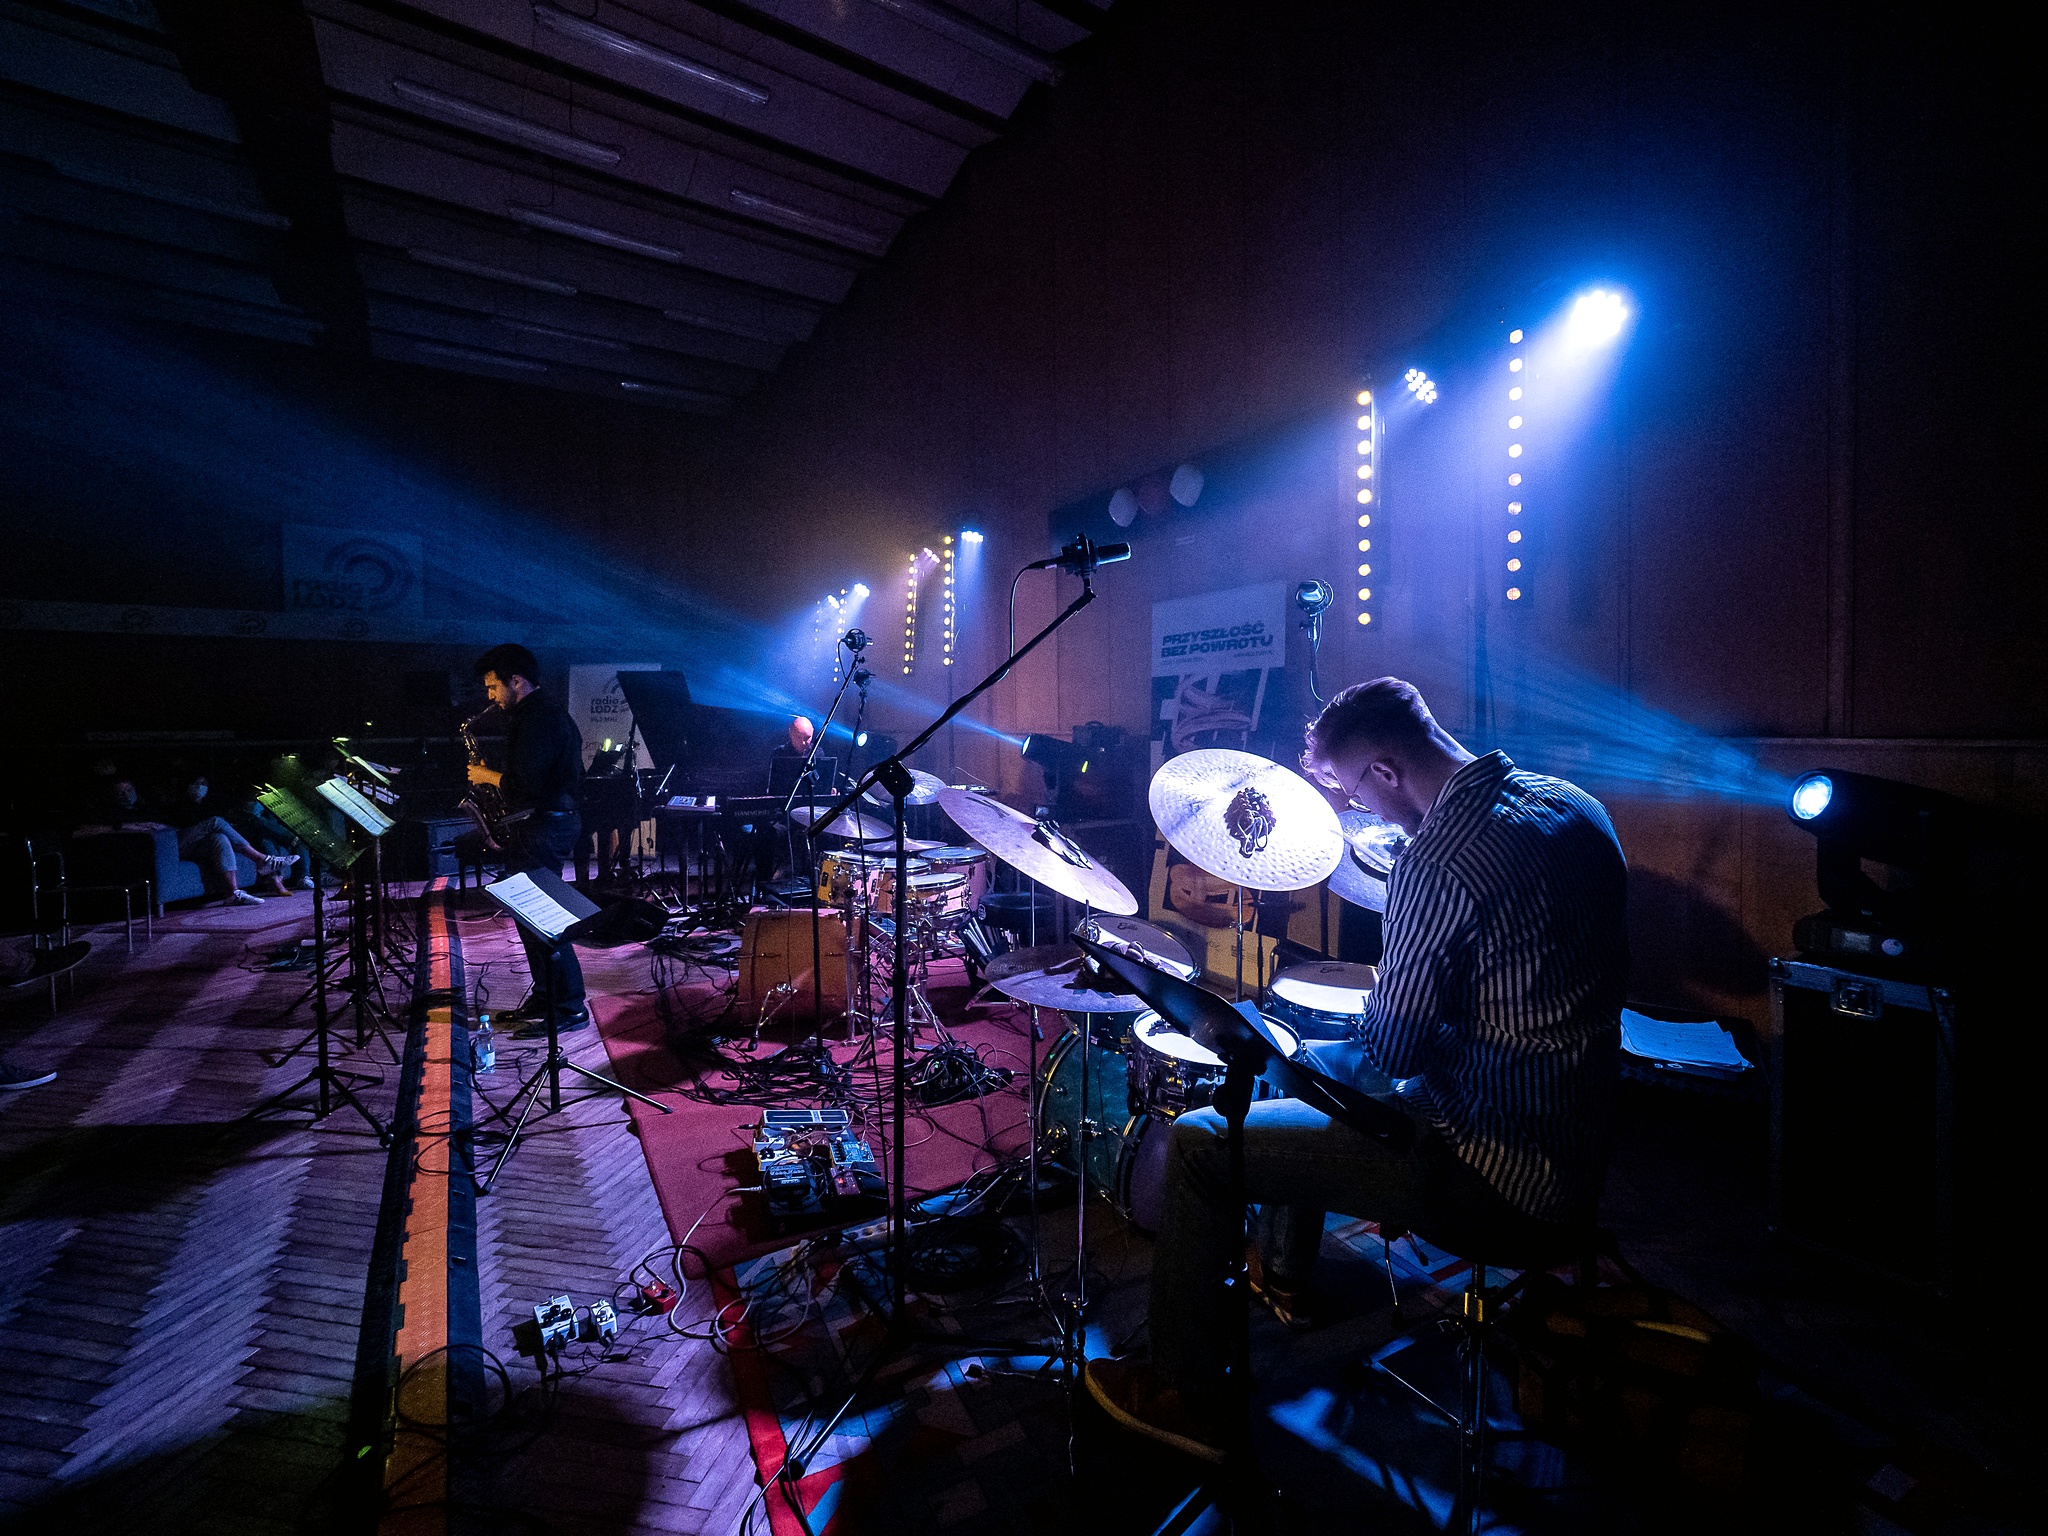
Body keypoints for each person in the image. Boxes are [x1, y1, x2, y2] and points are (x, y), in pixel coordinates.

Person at [1085, 677, 1629, 1461]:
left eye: (1351, 790)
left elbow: (1395, 1052)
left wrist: (1351, 1027)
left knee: (1207, 1140)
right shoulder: (1574, 806)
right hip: (1581, 1147)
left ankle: (1185, 1395)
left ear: (1384, 770)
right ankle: (1285, 1275)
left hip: (1491, 1172)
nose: (1356, 809)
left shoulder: (1439, 862)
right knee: (1312, 1071)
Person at [465, 644, 588, 1038]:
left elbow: (525, 785)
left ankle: (569, 1006)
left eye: (493, 687)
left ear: (515, 681)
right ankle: (547, 994)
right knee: (528, 916)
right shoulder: (541, 713)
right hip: (545, 823)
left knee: (543, 918)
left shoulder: (538, 719)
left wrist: (486, 776)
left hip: (545, 825)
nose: (490, 696)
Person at [164, 774, 295, 905]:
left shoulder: (206, 806)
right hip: (176, 844)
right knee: (216, 821)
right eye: (196, 783)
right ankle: (262, 859)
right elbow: (167, 824)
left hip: (198, 845)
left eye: (203, 784)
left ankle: (233, 893)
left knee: (220, 837)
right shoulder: (178, 805)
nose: (199, 787)